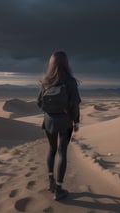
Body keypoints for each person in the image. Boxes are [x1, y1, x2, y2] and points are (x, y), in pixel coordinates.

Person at [37, 51, 81, 201]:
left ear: (51, 64)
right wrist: (76, 121)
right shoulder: (70, 81)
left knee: (52, 149)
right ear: (66, 63)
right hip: (65, 122)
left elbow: (39, 103)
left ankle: (51, 182)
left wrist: (50, 111)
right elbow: (75, 104)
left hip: (49, 122)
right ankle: (59, 189)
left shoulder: (46, 81)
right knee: (62, 152)